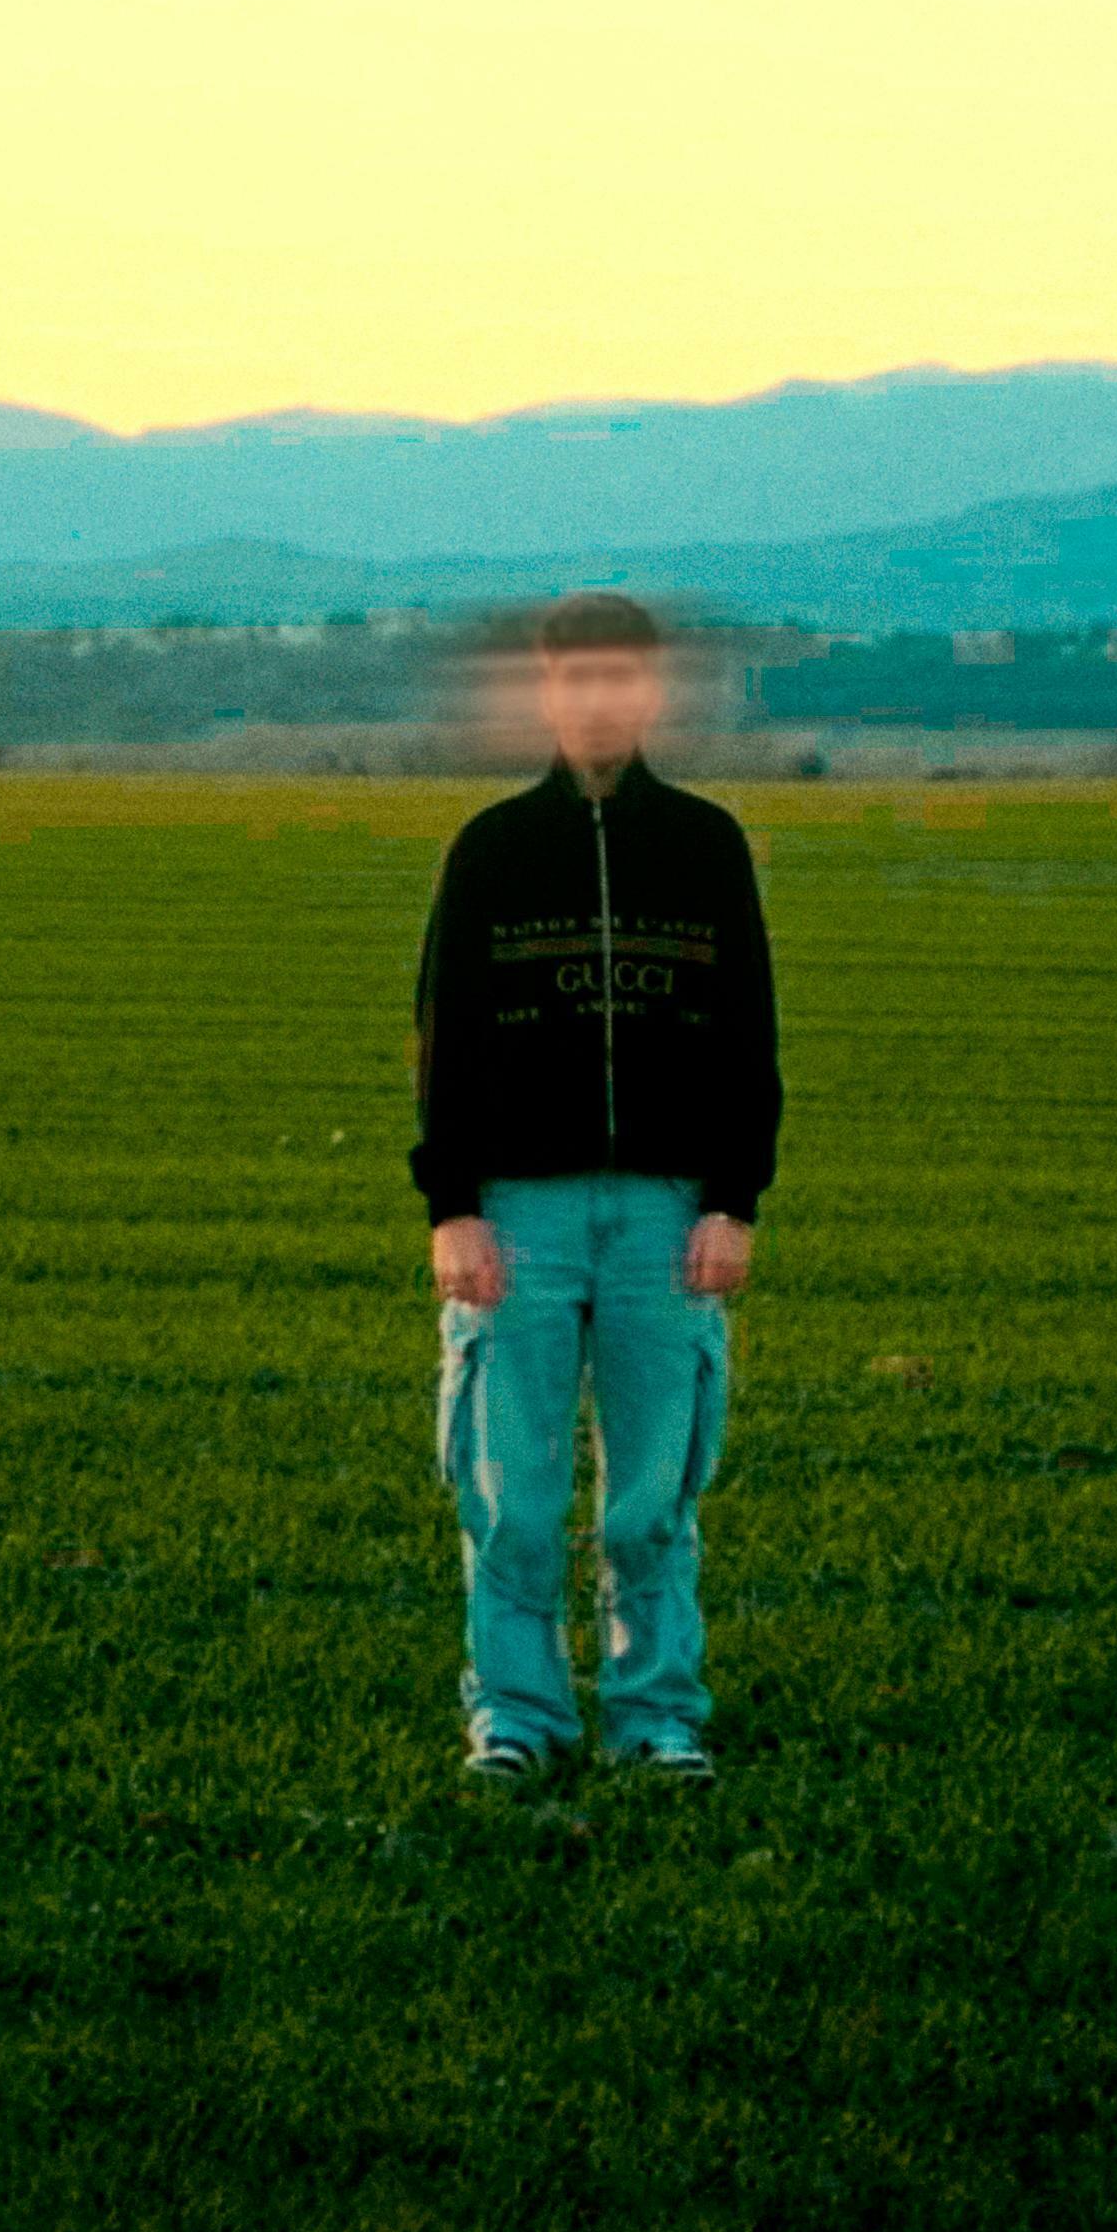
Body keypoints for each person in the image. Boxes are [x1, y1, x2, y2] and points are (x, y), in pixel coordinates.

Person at [406, 590, 783, 1786]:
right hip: (520, 1214)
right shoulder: (492, 848)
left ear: (650, 691)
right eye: (578, 678)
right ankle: (517, 1719)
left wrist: (734, 1199)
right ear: (548, 691)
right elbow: (445, 1036)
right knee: (511, 1501)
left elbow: (748, 1032)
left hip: (668, 1217)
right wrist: (453, 1207)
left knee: (650, 1505)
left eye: (621, 676)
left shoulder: (708, 846)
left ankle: (656, 1716)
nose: (600, 698)